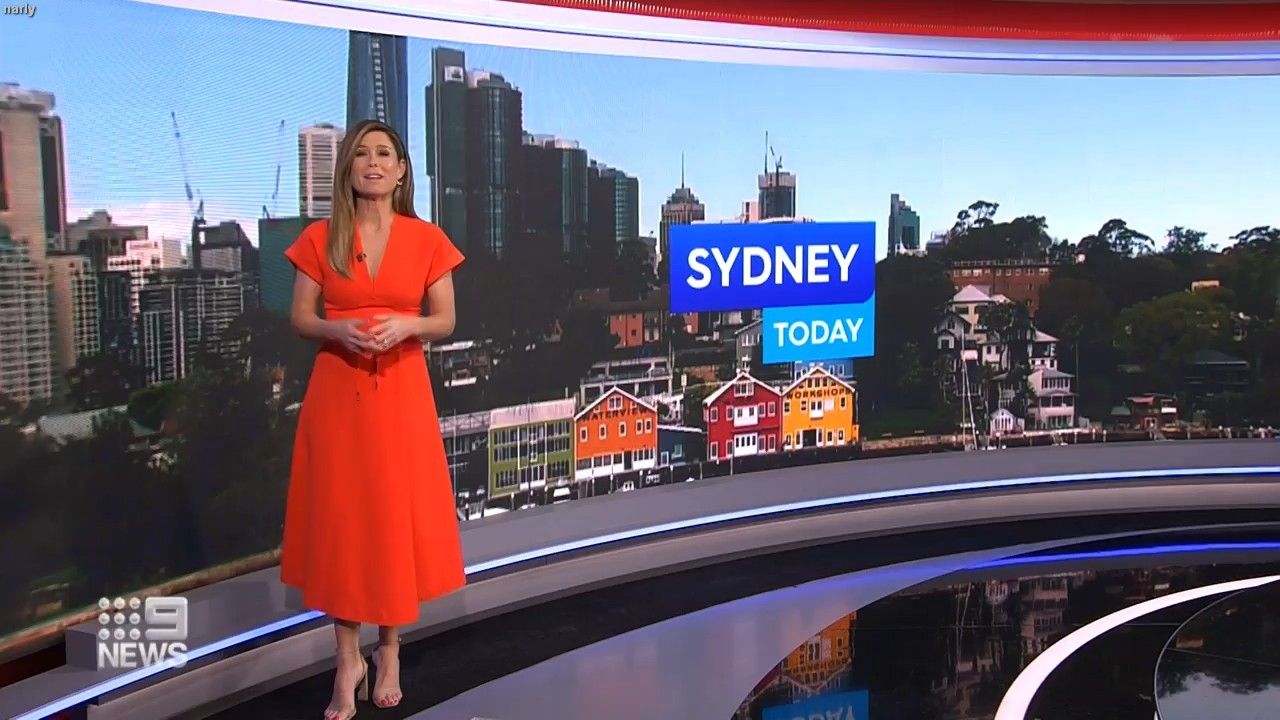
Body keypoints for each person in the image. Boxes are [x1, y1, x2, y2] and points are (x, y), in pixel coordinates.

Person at [280, 118, 466, 719]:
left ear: (402, 170)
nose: (373, 163)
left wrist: (408, 325)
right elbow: (301, 318)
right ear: (348, 168)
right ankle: (346, 660)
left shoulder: (427, 239)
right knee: (344, 523)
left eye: (385, 153)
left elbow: (445, 320)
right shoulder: (320, 237)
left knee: (389, 519)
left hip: (401, 395)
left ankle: (388, 650)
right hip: (338, 394)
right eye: (361, 154)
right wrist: (337, 330)